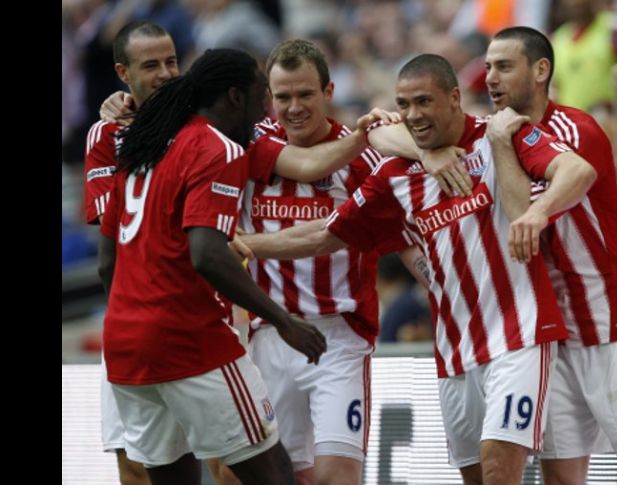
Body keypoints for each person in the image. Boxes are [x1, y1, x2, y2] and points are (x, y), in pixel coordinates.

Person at [236, 53, 598, 485]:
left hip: (517, 334)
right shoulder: (392, 172)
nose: (413, 115)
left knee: (502, 468)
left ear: (454, 98)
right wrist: (242, 248)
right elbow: (329, 233)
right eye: (403, 105)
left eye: (424, 102)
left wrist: (536, 216)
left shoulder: (499, 135)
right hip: (453, 348)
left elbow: (577, 169)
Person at [97, 47, 328, 485]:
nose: (266, 118)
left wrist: (139, 318)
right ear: (236, 97)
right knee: (273, 471)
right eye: (263, 101)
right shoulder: (216, 147)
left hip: (125, 346)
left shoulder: (144, 144)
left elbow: (107, 263)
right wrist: (282, 320)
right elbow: (206, 252)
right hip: (188, 340)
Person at [484, 26, 617, 484]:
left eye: (504, 66)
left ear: (541, 71)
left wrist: (534, 212)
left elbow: (524, 215)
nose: (490, 77)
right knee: (560, 478)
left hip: (615, 321)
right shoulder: (499, 136)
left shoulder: (576, 128)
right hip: (554, 334)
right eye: (488, 66)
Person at [236, 39, 426, 485]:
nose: (294, 107)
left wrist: (442, 286)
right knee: (275, 477)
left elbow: (404, 238)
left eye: (305, 94)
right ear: (269, 98)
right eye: (283, 97)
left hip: (337, 337)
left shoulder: (361, 153)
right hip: (270, 333)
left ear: (329, 92)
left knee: (335, 476)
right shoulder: (250, 147)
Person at [83, 20, 178, 485]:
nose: (165, 73)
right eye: (151, 65)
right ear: (123, 72)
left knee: (227, 461)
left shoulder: (200, 125)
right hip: (129, 317)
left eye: (172, 62)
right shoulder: (104, 137)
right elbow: (114, 229)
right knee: (134, 463)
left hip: (196, 315)